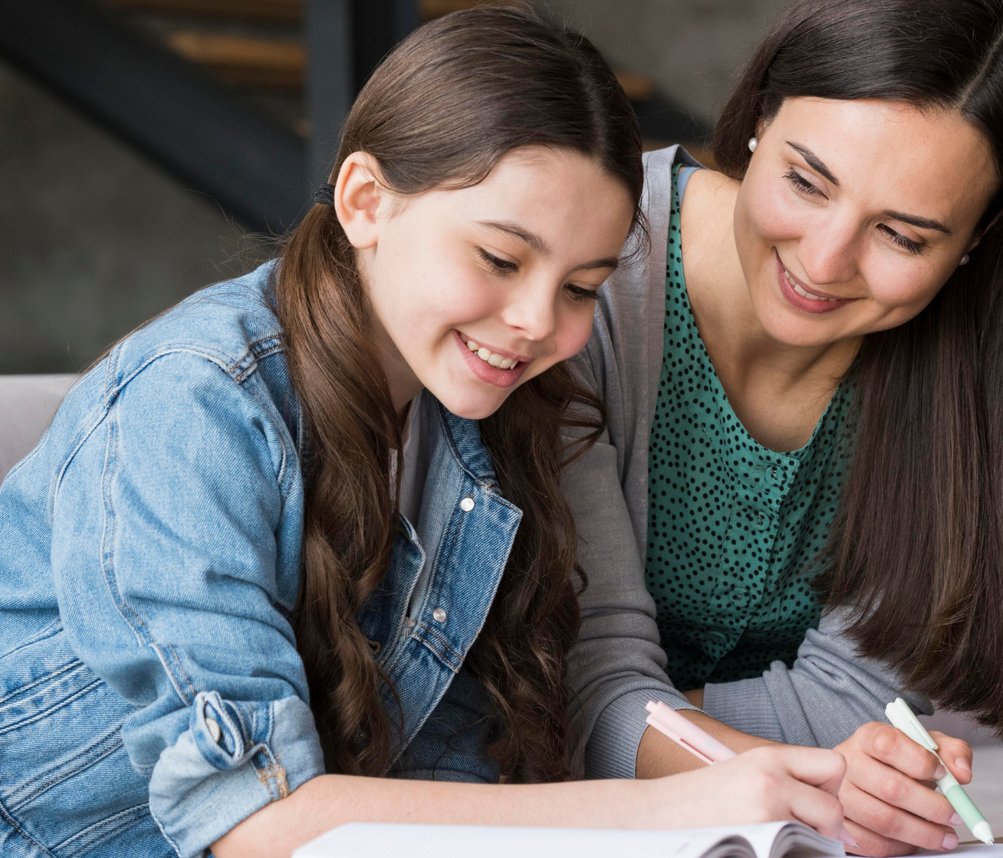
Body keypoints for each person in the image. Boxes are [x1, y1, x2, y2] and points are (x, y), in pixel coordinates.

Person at [0, 9, 851, 858]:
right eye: (500, 260)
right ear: (366, 202)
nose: (534, 324)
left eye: (581, 288)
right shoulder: (196, 403)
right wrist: (672, 809)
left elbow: (449, 778)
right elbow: (252, 820)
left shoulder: (490, 429)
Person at [564, 1, 1003, 855]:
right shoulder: (589, 272)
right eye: (806, 181)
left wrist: (652, 723)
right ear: (759, 119)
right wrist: (818, 771)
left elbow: (862, 700)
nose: (824, 263)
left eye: (902, 235)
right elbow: (569, 689)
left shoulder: (973, 374)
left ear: (982, 237)